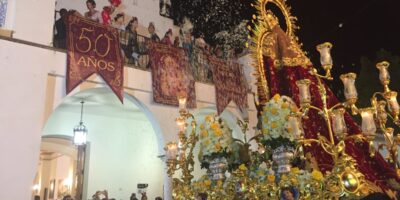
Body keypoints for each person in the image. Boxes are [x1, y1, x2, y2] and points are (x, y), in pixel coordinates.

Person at [254, 10, 400, 191]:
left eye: (272, 18)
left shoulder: (285, 44)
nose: (270, 21)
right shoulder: (269, 42)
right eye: (267, 19)